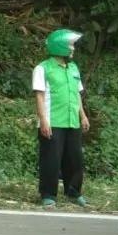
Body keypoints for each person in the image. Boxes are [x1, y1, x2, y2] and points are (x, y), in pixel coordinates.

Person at [33, 29, 89, 209]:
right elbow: (40, 96)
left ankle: (74, 192)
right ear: (60, 46)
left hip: (72, 120)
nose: (73, 48)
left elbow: (77, 95)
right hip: (53, 121)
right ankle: (48, 194)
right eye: (70, 45)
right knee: (51, 159)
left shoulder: (73, 68)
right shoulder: (43, 68)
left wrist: (83, 115)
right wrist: (43, 120)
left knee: (75, 158)